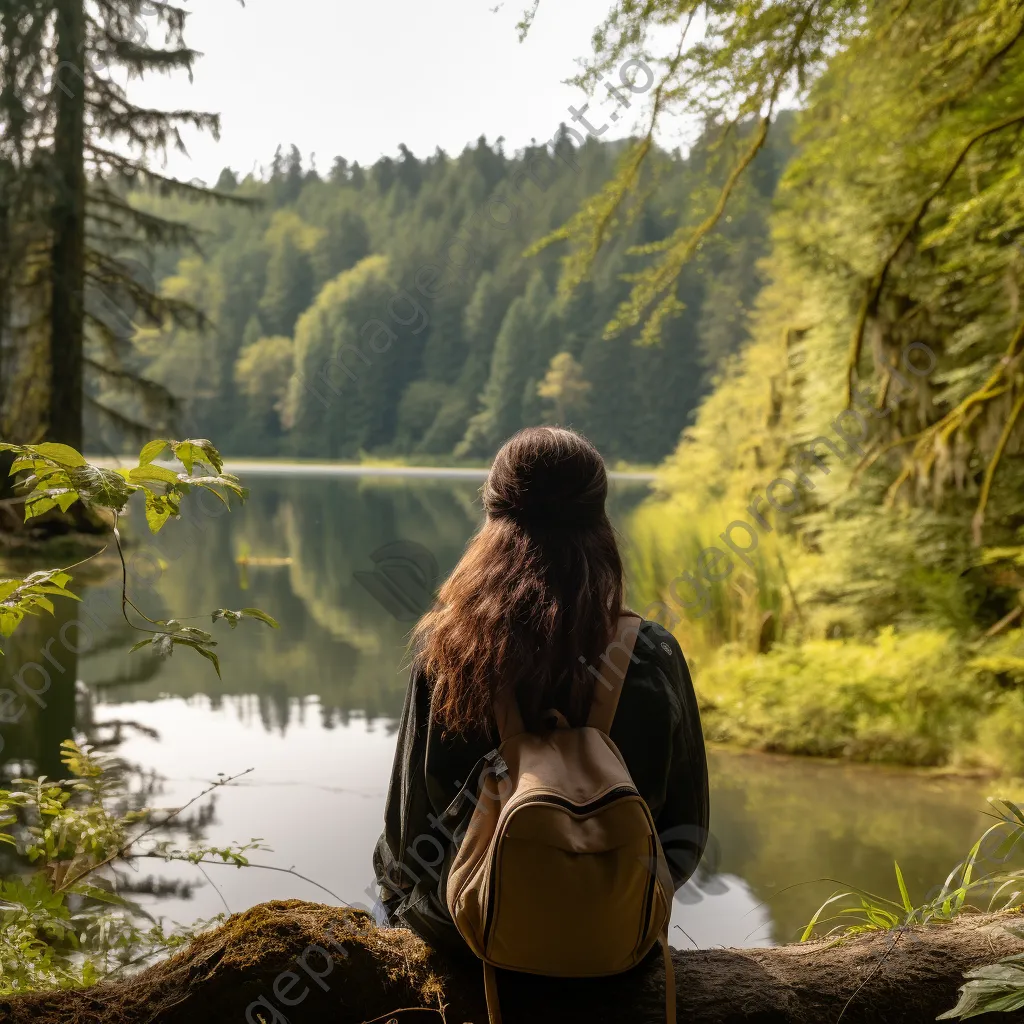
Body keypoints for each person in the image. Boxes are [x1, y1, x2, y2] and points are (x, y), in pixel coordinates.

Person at [372, 426, 709, 954]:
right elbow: (686, 833)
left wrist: (403, 907)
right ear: (600, 522)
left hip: (467, 934)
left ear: (492, 517)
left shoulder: (449, 648)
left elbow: (405, 843)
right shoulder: (652, 651)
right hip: (614, 934)